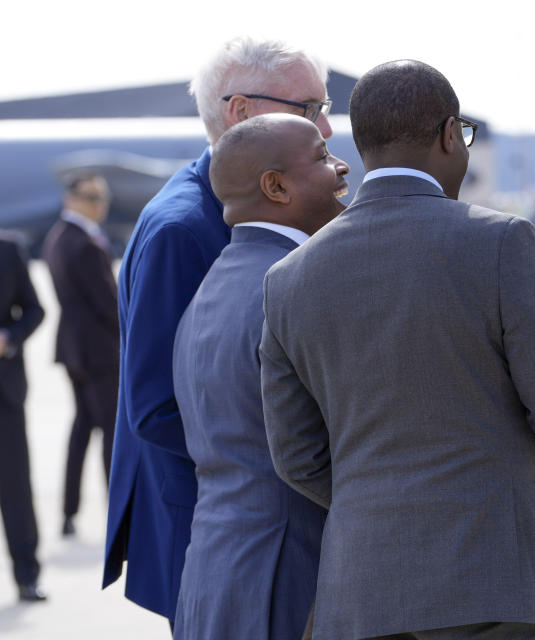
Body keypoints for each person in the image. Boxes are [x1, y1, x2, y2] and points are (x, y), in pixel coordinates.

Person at [260, 59, 535, 640]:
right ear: (450, 134)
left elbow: (295, 456)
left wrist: (376, 504)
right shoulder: (501, 241)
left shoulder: (287, 278)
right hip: (498, 583)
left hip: (361, 594)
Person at [103, 37, 336, 627]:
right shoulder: (183, 228)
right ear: (239, 111)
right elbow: (155, 407)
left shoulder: (243, 206)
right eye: (308, 108)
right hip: (220, 522)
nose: (328, 127)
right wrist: (287, 456)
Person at [171, 113, 349, 640]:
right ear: (276, 186)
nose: (340, 166)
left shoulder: (207, 292)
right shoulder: (295, 287)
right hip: (288, 575)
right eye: (320, 157)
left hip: (211, 577)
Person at [42, 172, 118, 538]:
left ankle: (69, 512)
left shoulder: (59, 236)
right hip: (98, 351)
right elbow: (108, 304)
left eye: (101, 197)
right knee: (110, 431)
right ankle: (116, 509)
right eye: (91, 197)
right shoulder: (83, 243)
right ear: (71, 199)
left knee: (82, 428)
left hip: (74, 349)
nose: (99, 205)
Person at [0, 232, 46, 602]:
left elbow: (35, 309)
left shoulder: (10, 249)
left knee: (15, 487)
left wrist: (9, 337)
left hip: (5, 394)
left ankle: (27, 574)